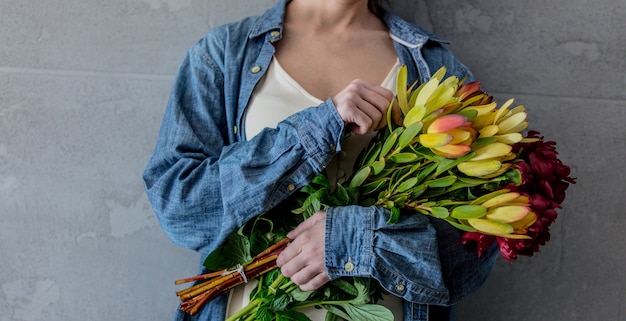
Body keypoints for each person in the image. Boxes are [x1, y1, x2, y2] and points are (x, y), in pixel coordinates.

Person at [143, 0, 498, 320]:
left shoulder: (436, 68)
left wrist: (356, 239)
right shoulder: (223, 54)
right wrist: (315, 129)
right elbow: (181, 209)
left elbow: (474, 254)